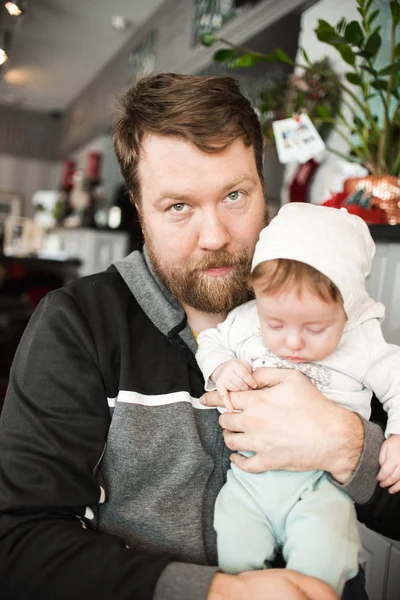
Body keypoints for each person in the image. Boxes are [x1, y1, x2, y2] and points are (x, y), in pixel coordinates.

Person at [0, 73, 398, 600]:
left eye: (235, 195)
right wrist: (215, 593)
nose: (215, 237)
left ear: (263, 187)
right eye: (178, 207)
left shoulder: (322, 304)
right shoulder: (78, 323)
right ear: (140, 211)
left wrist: (349, 446)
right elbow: (18, 543)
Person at [196, 202, 400, 595]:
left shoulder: (362, 340)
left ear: (348, 306)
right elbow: (212, 340)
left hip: (320, 486)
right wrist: (221, 367)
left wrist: (396, 436)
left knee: (324, 556)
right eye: (274, 323)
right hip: (247, 482)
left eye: (316, 328)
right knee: (235, 548)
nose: (292, 342)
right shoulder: (245, 319)